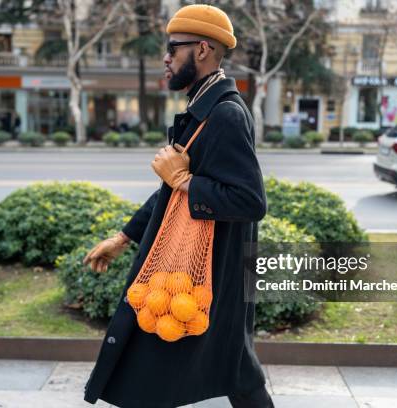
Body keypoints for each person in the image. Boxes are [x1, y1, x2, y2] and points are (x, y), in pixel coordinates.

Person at [82, 4, 273, 408]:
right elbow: (171, 196)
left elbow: (250, 201)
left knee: (214, 366)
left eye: (173, 49)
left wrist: (185, 180)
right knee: (230, 368)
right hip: (205, 269)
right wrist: (123, 237)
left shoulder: (224, 114)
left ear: (202, 50)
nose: (166, 59)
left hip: (210, 271)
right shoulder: (206, 107)